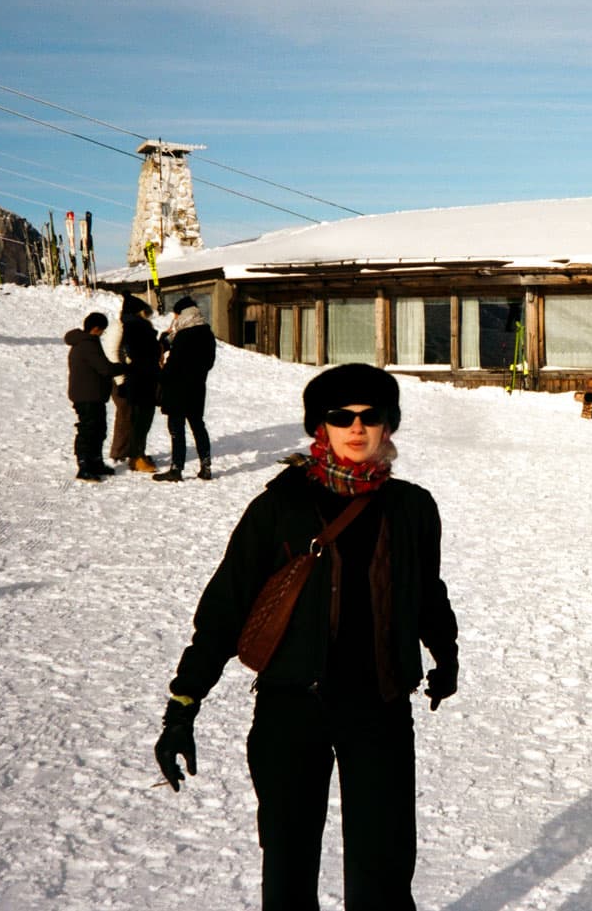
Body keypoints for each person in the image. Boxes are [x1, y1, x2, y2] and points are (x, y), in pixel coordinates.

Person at [154, 364, 458, 909]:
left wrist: (445, 653)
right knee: (290, 869)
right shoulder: (281, 506)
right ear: (320, 426)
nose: (357, 428)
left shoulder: (413, 507)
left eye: (372, 416)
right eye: (341, 417)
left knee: (383, 873)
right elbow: (226, 607)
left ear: (390, 426)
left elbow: (426, 589)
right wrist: (184, 702)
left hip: (380, 708)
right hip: (292, 709)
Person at [154, 296, 217, 482]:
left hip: (178, 389)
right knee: (198, 426)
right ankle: (206, 467)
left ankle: (176, 468)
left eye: (175, 315)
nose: (174, 319)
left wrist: (160, 373)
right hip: (197, 387)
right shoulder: (207, 333)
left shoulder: (183, 336)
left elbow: (172, 366)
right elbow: (209, 362)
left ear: (182, 314)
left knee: (177, 429)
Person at [65, 312, 120, 482]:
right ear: (96, 329)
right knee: (88, 430)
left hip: (92, 395)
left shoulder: (82, 343)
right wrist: (124, 368)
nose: (102, 333)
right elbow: (104, 368)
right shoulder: (88, 344)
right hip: (87, 396)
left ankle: (95, 462)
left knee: (98, 429)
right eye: (102, 330)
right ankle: (84, 465)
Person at [114, 294, 162, 473]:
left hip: (141, 377)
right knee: (141, 420)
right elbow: (140, 352)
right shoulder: (136, 327)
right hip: (142, 378)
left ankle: (138, 454)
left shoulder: (133, 326)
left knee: (141, 419)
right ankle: (136, 456)